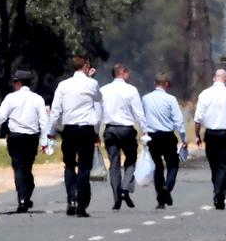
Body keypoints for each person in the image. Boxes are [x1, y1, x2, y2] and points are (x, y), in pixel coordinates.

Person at [47, 55, 102, 218]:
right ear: (86, 66)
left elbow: (55, 111)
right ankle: (81, 202)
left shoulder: (63, 85)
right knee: (85, 166)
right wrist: (96, 131)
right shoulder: (92, 84)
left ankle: (71, 199)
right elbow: (98, 106)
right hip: (86, 129)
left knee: (70, 164)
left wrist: (50, 132)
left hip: (69, 130)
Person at [0, 70, 48, 213]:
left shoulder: (10, 98)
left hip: (15, 137)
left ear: (18, 83)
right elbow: (44, 122)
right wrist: (44, 142)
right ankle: (27, 193)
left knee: (18, 168)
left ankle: (22, 199)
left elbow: (0, 117)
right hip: (31, 138)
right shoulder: (38, 99)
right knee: (27, 167)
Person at [99, 64, 148, 210]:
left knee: (113, 163)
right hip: (126, 130)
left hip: (110, 130)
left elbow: (98, 113)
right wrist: (145, 130)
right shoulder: (131, 90)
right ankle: (125, 187)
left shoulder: (104, 90)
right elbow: (139, 113)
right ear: (124, 73)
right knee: (131, 158)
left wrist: (96, 132)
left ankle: (116, 197)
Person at [194, 69, 226, 210]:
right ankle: (219, 192)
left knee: (214, 165)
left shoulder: (204, 94)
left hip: (210, 135)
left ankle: (218, 189)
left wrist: (197, 135)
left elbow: (197, 118)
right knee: (224, 165)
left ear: (214, 78)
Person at [142, 72, 187, 209]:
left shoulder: (146, 98)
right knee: (173, 164)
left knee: (157, 166)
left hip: (152, 136)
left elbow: (142, 116)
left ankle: (160, 199)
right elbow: (178, 121)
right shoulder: (171, 99)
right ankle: (167, 187)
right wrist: (183, 138)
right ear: (166, 84)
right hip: (168, 136)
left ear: (155, 84)